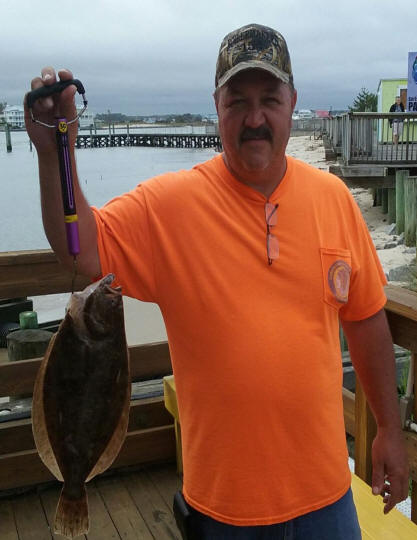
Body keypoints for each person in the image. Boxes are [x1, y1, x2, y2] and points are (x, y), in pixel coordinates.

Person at [25, 23, 409, 540]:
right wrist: (55, 155)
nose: (255, 118)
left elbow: (365, 320)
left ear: (293, 103)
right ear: (216, 107)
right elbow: (80, 248)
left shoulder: (333, 199)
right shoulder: (170, 205)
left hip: (327, 498)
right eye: (237, 102)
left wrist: (389, 430)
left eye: (269, 99)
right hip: (223, 508)